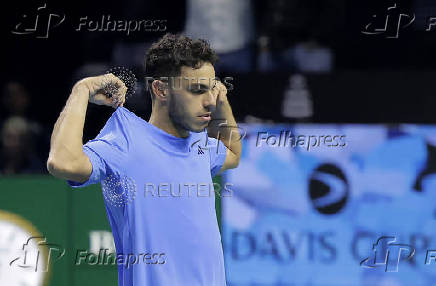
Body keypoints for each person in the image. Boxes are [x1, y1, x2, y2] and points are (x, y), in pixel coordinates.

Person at [47, 33, 241, 285]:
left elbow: (234, 153)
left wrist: (223, 101)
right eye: (197, 90)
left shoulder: (201, 143)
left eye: (211, 89)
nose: (209, 102)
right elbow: (62, 162)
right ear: (160, 89)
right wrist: (81, 90)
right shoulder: (125, 138)